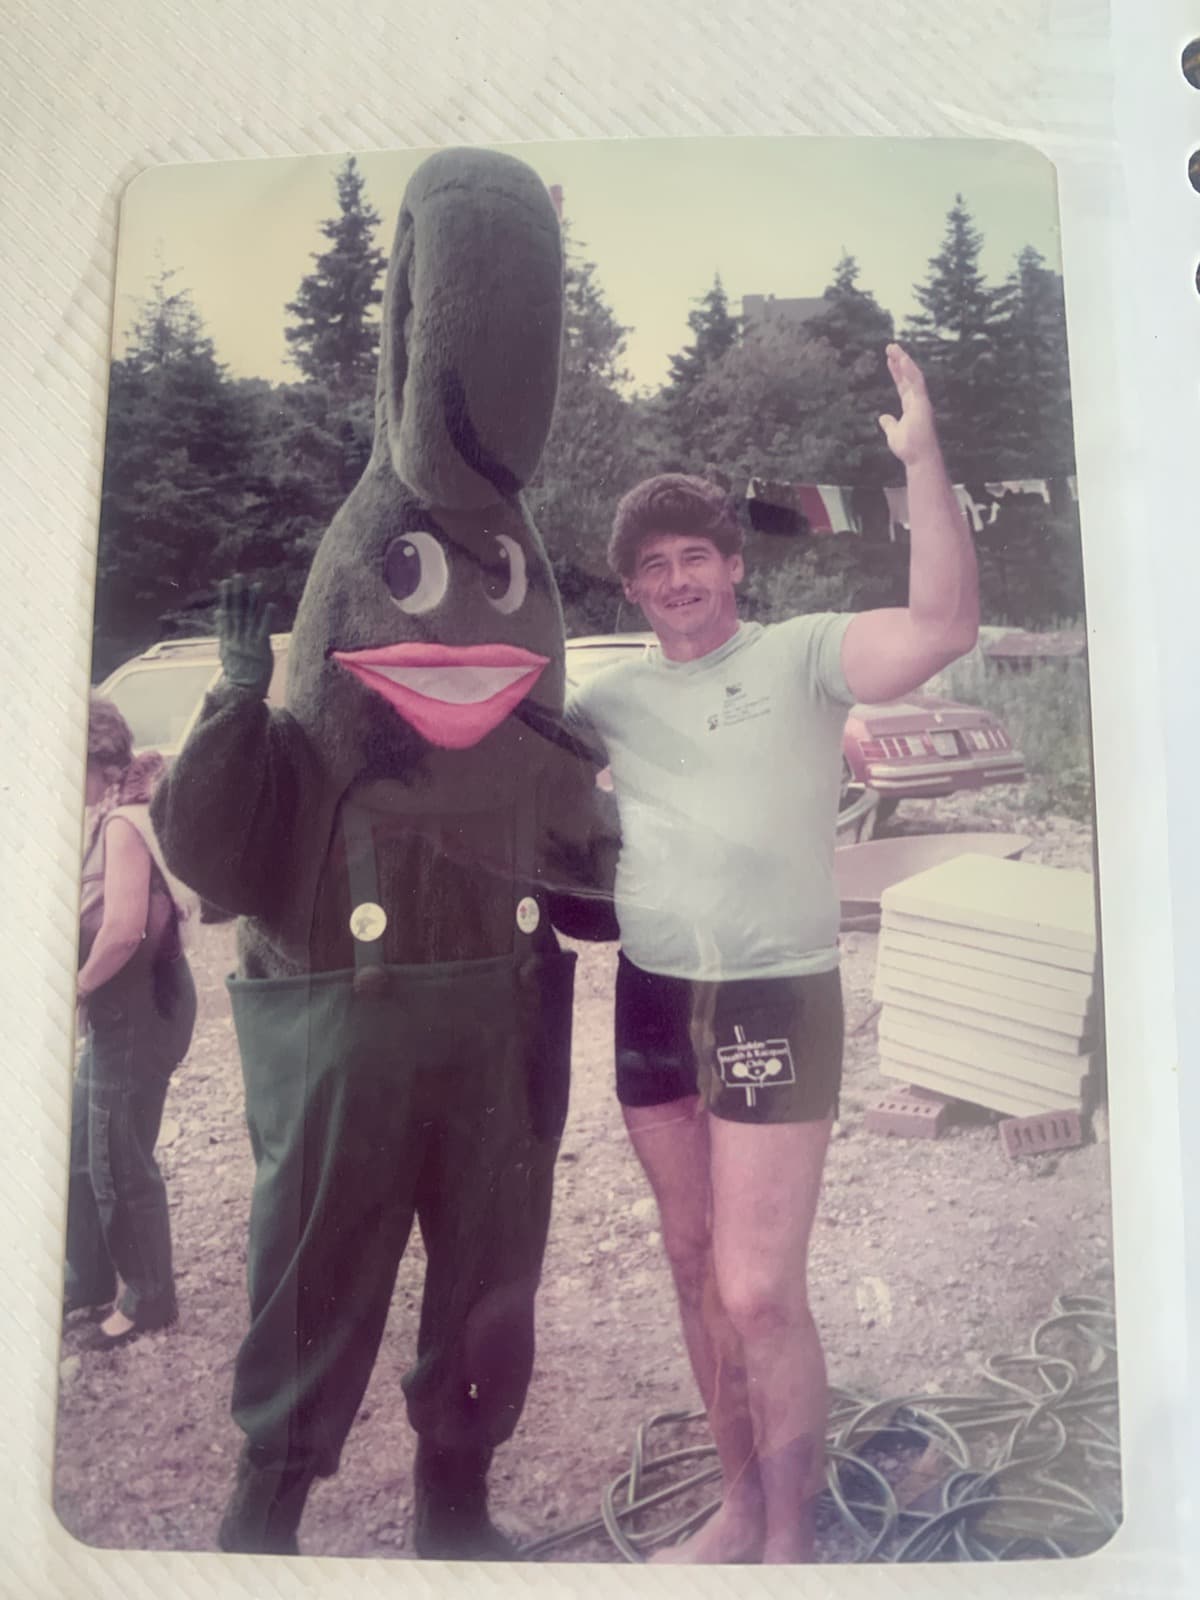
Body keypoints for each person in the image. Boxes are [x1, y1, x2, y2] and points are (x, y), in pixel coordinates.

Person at [566, 345, 979, 1563]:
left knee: (756, 1287)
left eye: (697, 554)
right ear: (633, 591)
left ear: (734, 567)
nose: (679, 577)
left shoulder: (800, 656)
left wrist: (923, 461)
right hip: (653, 995)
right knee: (692, 1260)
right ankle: (739, 1506)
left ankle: (790, 1542)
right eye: (654, 565)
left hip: (775, 994)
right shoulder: (611, 703)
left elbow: (946, 623)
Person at [65, 696, 197, 1351]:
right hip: (137, 1002)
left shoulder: (123, 821)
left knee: (119, 1155)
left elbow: (122, 930)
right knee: (84, 1144)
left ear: (96, 760)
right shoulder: (114, 812)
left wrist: (76, 990)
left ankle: (149, 1298)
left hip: (137, 1005)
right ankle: (86, 1277)